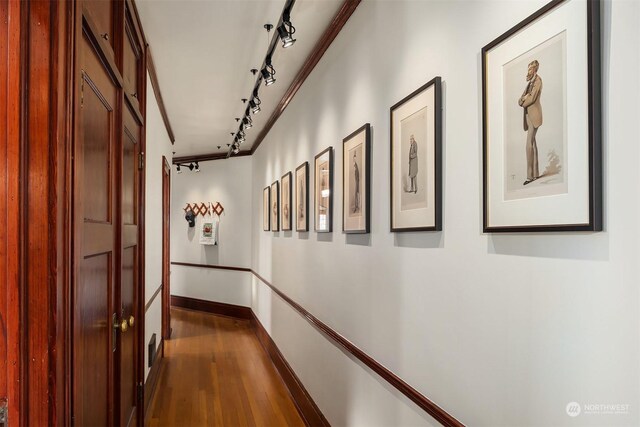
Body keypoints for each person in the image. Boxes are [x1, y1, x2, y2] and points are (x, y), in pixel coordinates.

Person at [518, 59, 543, 185]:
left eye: (530, 69)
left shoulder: (538, 81)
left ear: (535, 69)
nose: (528, 71)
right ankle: (535, 174)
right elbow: (519, 100)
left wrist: (524, 100)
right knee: (532, 143)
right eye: (528, 69)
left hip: (534, 116)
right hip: (528, 116)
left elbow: (531, 99)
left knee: (529, 143)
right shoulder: (528, 84)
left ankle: (529, 176)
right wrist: (523, 99)